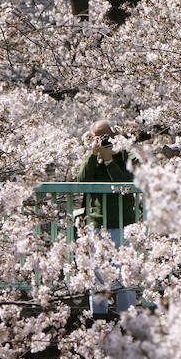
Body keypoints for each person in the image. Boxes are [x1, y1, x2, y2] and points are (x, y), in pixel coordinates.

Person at [76, 120, 141, 315]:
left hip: (123, 222)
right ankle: (98, 315)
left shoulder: (126, 155)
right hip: (97, 221)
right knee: (97, 272)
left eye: (106, 136)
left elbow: (128, 185)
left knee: (125, 271)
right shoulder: (92, 156)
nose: (103, 140)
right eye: (98, 137)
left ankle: (126, 314)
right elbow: (81, 181)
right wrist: (93, 155)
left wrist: (111, 161)